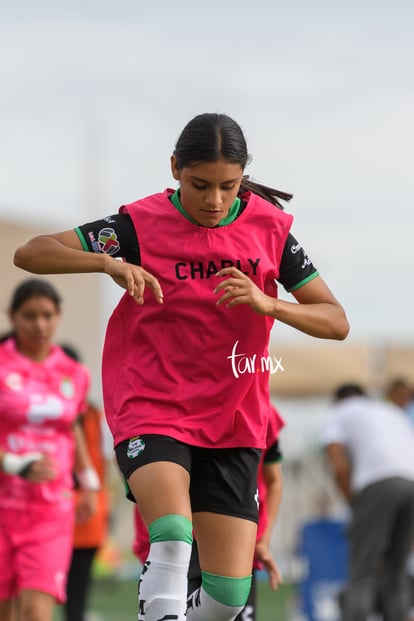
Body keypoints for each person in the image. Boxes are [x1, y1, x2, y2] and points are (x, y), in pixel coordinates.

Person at [13, 112, 349, 621]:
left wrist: (270, 303)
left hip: (235, 419)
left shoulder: (270, 231)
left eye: (228, 186)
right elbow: (31, 253)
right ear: (174, 168)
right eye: (200, 185)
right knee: (171, 536)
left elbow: (335, 320)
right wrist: (108, 262)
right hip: (153, 405)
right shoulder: (137, 226)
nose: (214, 200)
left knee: (228, 600)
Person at [0, 279, 100, 621]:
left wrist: (88, 482)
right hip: (3, 502)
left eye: (47, 315)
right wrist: (14, 464)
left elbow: (72, 425)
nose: (39, 324)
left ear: (58, 316)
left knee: (35, 612)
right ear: (12, 316)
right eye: (29, 316)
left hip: (51, 508)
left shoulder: (74, 373)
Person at [133, 404, 285, 621]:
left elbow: (275, 480)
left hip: (234, 540)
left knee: (227, 602)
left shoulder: (261, 410)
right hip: (185, 539)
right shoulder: (165, 400)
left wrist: (263, 540)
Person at [322, 383, 414, 621]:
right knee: (396, 572)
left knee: (363, 572)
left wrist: (356, 506)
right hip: (411, 483)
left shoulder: (338, 412)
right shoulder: (390, 411)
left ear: (338, 400)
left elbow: (339, 466)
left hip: (378, 482)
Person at [60, 344, 112, 621]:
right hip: (69, 514)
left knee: (73, 594)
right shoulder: (95, 416)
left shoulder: (95, 418)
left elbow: (105, 465)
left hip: (83, 515)